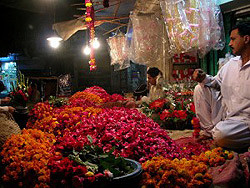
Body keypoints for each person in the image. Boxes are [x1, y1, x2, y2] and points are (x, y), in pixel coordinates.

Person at [193, 22, 250, 150]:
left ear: (246, 39)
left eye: (234, 39)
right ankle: (210, 132)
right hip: (227, 117)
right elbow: (216, 83)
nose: (230, 44)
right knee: (199, 88)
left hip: (245, 123)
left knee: (221, 134)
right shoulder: (232, 63)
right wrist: (204, 78)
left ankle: (219, 135)